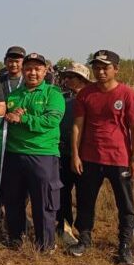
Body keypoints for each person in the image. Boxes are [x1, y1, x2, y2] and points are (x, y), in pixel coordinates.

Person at [69, 50, 134, 265]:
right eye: (97, 67)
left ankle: (124, 247)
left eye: (105, 67)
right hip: (90, 157)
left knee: (125, 205)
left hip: (119, 158)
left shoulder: (127, 94)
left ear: (116, 69)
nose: (100, 71)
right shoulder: (85, 94)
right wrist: (75, 154)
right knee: (85, 201)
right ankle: (84, 239)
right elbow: (77, 126)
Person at [2, 53, 65, 251]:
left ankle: (45, 244)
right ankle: (16, 238)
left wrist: (24, 119)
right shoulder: (13, 96)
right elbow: (6, 119)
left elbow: (51, 121)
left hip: (42, 154)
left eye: (37, 69)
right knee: (14, 200)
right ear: (23, 70)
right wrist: (9, 116)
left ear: (45, 71)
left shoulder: (53, 94)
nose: (33, 73)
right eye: (28, 68)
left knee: (43, 201)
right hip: (14, 153)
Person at [56, 63, 91, 246]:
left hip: (86, 154)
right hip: (63, 152)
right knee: (62, 191)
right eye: (66, 76)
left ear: (82, 79)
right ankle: (64, 226)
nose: (67, 80)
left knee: (84, 194)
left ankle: (84, 231)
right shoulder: (60, 98)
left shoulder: (92, 97)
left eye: (72, 77)